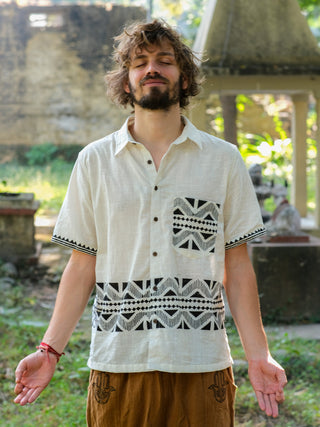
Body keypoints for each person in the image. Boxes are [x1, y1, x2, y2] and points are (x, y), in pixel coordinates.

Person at [14, 19, 287, 426]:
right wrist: (50, 349)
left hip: (202, 364)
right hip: (118, 364)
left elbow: (237, 266)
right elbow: (81, 264)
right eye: (140, 62)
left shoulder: (223, 160)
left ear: (185, 75)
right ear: (126, 81)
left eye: (165, 60)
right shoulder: (94, 161)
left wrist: (258, 354)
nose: (152, 69)